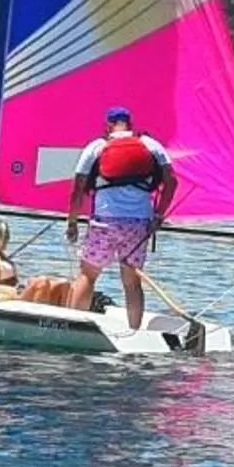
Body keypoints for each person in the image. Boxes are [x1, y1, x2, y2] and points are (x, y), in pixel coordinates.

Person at [65, 105, 173, 333]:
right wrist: (159, 215)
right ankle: (134, 332)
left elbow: (78, 187)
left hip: (105, 221)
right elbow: (172, 182)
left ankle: (72, 327)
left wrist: (72, 221)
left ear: (108, 125)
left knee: (88, 275)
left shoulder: (97, 146)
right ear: (130, 124)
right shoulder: (150, 145)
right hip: (138, 224)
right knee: (132, 282)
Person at [0, 218, 82, 307]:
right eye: (5, 237)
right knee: (41, 282)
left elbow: (13, 281)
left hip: (16, 292)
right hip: (8, 298)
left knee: (61, 284)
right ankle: (37, 319)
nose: (7, 240)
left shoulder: (0, 256)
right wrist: (4, 291)